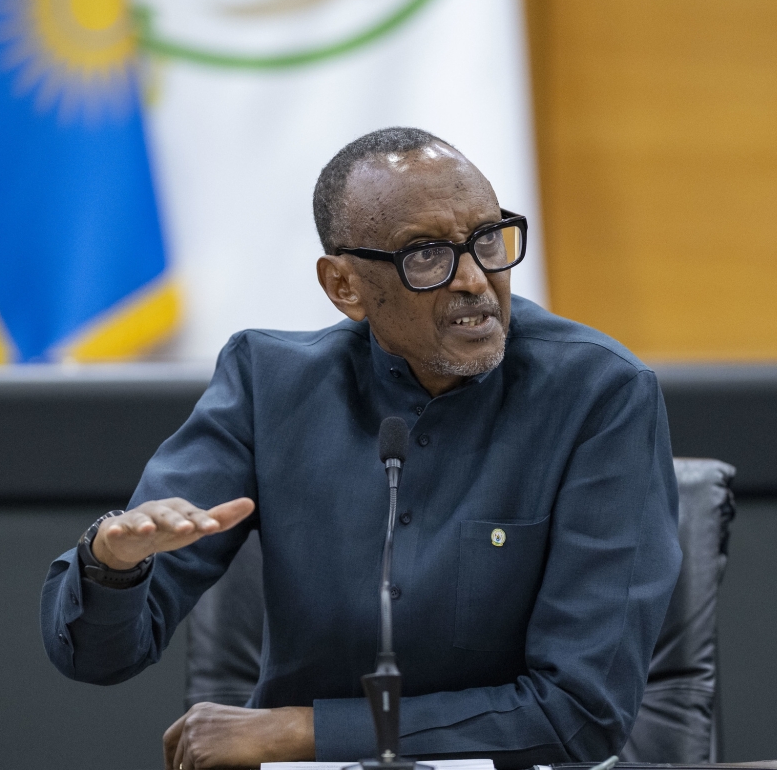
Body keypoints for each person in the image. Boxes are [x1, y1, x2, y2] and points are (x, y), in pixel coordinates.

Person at [41, 127, 681, 770]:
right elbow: (98, 656)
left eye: (488, 240)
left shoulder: (599, 393)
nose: (475, 281)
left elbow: (581, 714)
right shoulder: (269, 386)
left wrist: (302, 732)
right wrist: (111, 564)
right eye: (427, 255)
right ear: (344, 286)